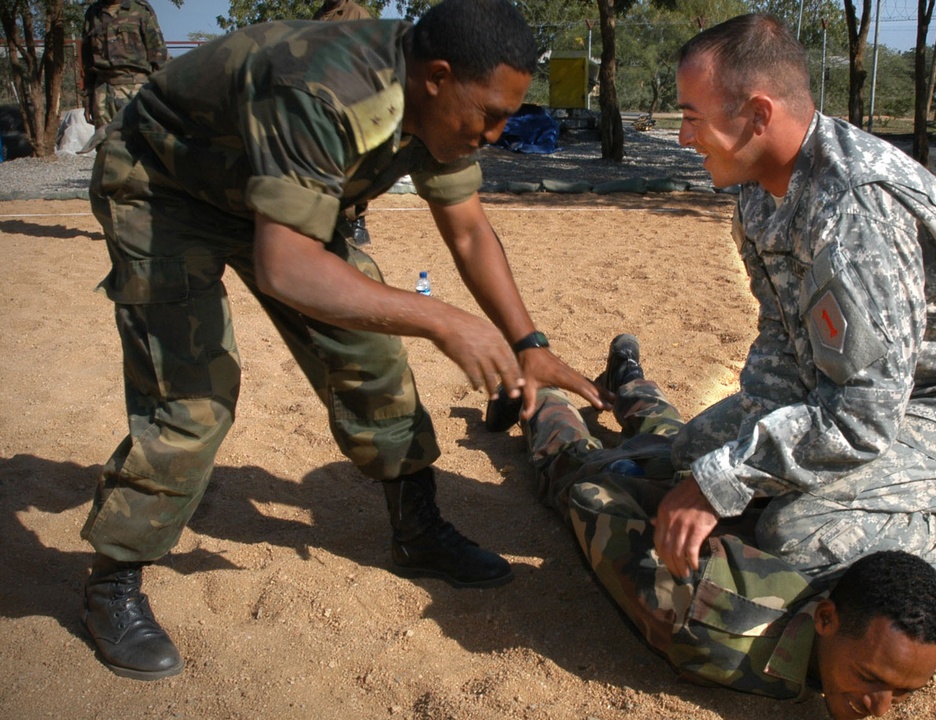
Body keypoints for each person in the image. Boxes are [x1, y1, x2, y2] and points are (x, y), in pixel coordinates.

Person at [81, 0, 604, 682]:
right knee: (193, 399)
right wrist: (443, 319)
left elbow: (469, 230)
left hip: (273, 198)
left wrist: (527, 340)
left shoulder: (438, 109)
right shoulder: (323, 88)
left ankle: (417, 532)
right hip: (167, 188)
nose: (501, 134)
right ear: (437, 77)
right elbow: (287, 267)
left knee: (374, 355)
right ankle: (110, 584)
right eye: (490, 117)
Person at [654, 14, 936, 681]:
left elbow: (861, 418)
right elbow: (779, 330)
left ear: (757, 115)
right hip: (870, 387)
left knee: (796, 534)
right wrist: (734, 469)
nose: (683, 136)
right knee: (693, 456)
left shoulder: (856, 208)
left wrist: (733, 480)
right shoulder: (758, 188)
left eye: (692, 116)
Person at [492, 335, 936, 717]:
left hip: (709, 486)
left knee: (665, 427)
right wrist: (601, 477)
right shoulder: (712, 630)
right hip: (645, 492)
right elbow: (594, 506)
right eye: (870, 680)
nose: (881, 710)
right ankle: (536, 385)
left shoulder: (857, 592)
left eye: (904, 692)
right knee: (566, 458)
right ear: (825, 617)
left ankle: (627, 370)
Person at [311, 0, 376, 245]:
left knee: (353, 160)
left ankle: (356, 219)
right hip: (321, 99)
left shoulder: (357, 14)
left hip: (350, 97)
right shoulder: (319, 16)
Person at [80, 0, 168, 129]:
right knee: (105, 145)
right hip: (103, 93)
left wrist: (162, 98)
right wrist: (88, 99)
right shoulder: (93, 14)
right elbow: (87, 62)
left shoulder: (141, 11)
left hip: (135, 89)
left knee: (138, 143)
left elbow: (159, 56)